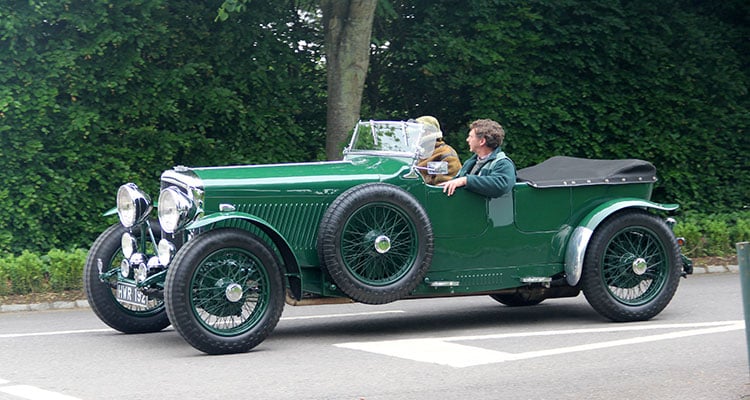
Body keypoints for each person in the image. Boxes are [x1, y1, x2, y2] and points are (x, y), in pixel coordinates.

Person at [439, 118, 516, 197]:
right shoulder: (470, 162)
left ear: (482, 141)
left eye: (471, 137)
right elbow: (457, 181)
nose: (467, 140)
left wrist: (466, 180)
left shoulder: (503, 163)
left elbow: (501, 185)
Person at [414, 116, 462, 185]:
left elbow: (442, 188)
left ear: (429, 132)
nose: (415, 135)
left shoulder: (445, 153)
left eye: (418, 132)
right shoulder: (417, 153)